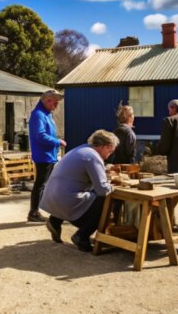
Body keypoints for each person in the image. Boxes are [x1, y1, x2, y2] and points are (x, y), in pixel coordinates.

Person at [40, 129, 117, 252]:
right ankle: (82, 236)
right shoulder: (93, 157)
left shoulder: (81, 149)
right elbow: (103, 190)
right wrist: (114, 187)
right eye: (110, 150)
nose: (110, 154)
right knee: (105, 199)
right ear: (104, 146)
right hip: (65, 200)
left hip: (51, 198)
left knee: (82, 191)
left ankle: (55, 220)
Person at [27, 89, 66, 223]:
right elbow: (40, 136)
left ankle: (35, 211)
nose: (56, 107)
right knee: (40, 184)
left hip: (48, 154)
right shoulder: (39, 115)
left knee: (43, 184)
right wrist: (57, 141)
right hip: (43, 155)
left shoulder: (46, 114)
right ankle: (34, 212)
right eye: (55, 103)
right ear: (48, 100)